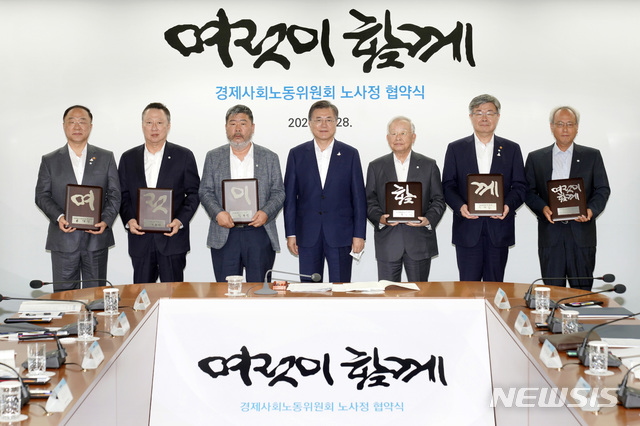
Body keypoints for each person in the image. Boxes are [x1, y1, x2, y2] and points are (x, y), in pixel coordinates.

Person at [35, 105, 121, 291]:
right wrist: (59, 217)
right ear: (64, 126)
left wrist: (106, 220)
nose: (77, 126)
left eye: (82, 121)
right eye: (71, 121)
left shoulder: (105, 157)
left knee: (96, 297)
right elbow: (42, 195)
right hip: (63, 240)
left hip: (96, 239)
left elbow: (115, 194)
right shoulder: (50, 160)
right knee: (64, 297)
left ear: (90, 126)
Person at [442, 94, 526, 282]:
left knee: (495, 287)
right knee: (467, 289)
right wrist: (460, 206)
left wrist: (507, 205)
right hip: (468, 229)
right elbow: (448, 185)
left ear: (498, 116)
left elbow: (520, 186)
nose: (484, 118)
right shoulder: (456, 148)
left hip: (499, 229)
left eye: (490, 113)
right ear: (471, 117)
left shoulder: (512, 149)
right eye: (479, 113)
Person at [525, 106, 610, 290]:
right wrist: (543, 208)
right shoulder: (536, 158)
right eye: (560, 124)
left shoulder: (592, 156)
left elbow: (602, 189)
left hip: (581, 234)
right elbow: (528, 192)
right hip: (551, 235)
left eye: (570, 124)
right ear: (551, 127)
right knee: (553, 292)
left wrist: (591, 210)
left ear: (577, 127)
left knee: (581, 294)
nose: (565, 129)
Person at [199, 104, 285, 282]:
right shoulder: (213, 157)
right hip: (225, 232)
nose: (237, 129)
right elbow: (205, 191)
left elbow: (278, 192)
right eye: (233, 123)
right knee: (225, 291)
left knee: (259, 289)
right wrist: (218, 213)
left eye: (243, 123)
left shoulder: (269, 157)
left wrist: (266, 213)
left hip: (259, 232)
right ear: (226, 128)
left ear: (252, 128)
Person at [284, 100, 367, 282]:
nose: (324, 125)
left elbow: (359, 199)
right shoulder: (297, 154)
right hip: (307, 234)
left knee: (341, 287)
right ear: (310, 123)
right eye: (318, 120)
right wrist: (291, 233)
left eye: (329, 120)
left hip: (341, 234)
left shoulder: (350, 154)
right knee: (309, 289)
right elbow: (290, 198)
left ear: (336, 122)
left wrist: (359, 234)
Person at [118, 102, 200, 283]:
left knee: (173, 295)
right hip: (140, 239)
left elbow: (194, 193)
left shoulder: (184, 156)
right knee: (141, 295)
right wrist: (129, 220)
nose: (154, 128)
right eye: (149, 122)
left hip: (172, 239)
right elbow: (122, 195)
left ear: (168, 126)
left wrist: (180, 221)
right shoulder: (128, 158)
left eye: (159, 123)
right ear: (142, 125)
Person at [366, 116, 446, 282]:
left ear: (413, 137)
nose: (398, 138)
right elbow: (369, 201)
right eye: (393, 133)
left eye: (403, 133)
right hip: (388, 242)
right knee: (388, 293)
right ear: (388, 138)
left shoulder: (429, 165)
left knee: (419, 293)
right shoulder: (376, 166)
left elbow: (439, 200)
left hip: (419, 241)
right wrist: (380, 218)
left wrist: (428, 220)